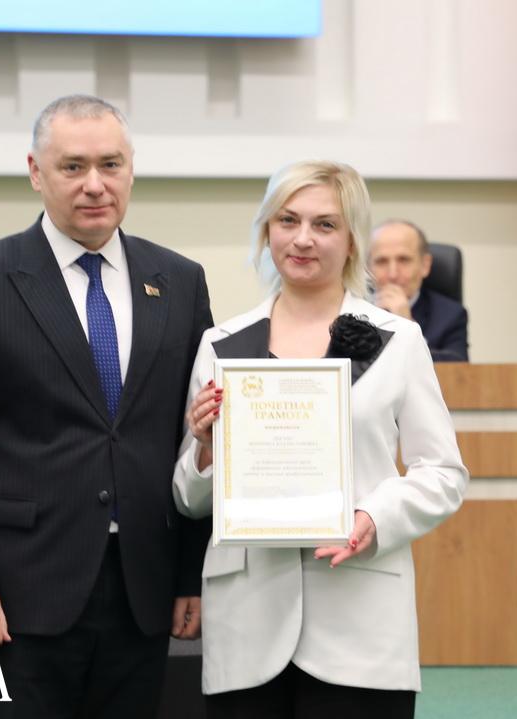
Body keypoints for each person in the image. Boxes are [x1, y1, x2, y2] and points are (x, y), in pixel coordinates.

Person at [0, 95, 213, 718]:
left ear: (131, 168)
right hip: (15, 597)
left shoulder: (180, 281)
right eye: (73, 166)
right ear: (35, 171)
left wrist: (191, 575)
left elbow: (197, 439)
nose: (95, 184)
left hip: (143, 592)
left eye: (111, 164)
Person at [173, 161, 467, 718]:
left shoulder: (400, 341)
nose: (303, 238)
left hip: (359, 618)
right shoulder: (221, 344)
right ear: (267, 231)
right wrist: (207, 448)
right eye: (288, 220)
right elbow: (188, 498)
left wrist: (375, 517)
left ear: (352, 239)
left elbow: (443, 473)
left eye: (325, 224)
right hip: (248, 621)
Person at [367, 219, 469, 361]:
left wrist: (408, 327)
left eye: (404, 260)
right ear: (368, 267)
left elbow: (458, 369)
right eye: (381, 261)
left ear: (425, 265)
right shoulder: (350, 309)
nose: (392, 274)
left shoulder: (450, 315)